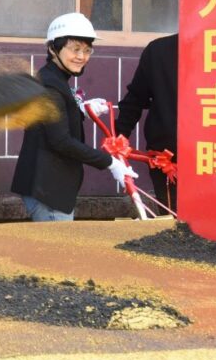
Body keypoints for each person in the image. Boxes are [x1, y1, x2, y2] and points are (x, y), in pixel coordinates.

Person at [11, 12, 137, 221]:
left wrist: (80, 110)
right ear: (53, 48)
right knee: (57, 243)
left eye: (87, 50)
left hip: (50, 188)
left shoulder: (54, 79)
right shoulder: (50, 85)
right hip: (48, 191)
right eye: (75, 49)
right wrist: (110, 163)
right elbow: (61, 141)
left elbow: (51, 121)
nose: (82, 56)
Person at [115, 33, 178, 209]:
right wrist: (118, 140)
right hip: (168, 163)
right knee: (174, 219)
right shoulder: (159, 50)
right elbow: (135, 99)